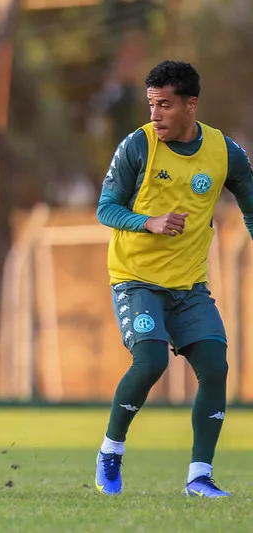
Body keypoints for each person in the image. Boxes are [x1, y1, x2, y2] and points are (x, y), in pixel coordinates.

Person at [95, 60, 253, 497]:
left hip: (189, 288)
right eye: (151, 104)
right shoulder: (137, 146)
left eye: (164, 105)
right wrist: (150, 222)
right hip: (136, 279)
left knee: (215, 368)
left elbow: (251, 208)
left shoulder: (226, 153)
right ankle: (111, 451)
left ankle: (199, 477)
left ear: (190, 105)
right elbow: (105, 208)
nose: (154, 115)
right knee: (151, 362)